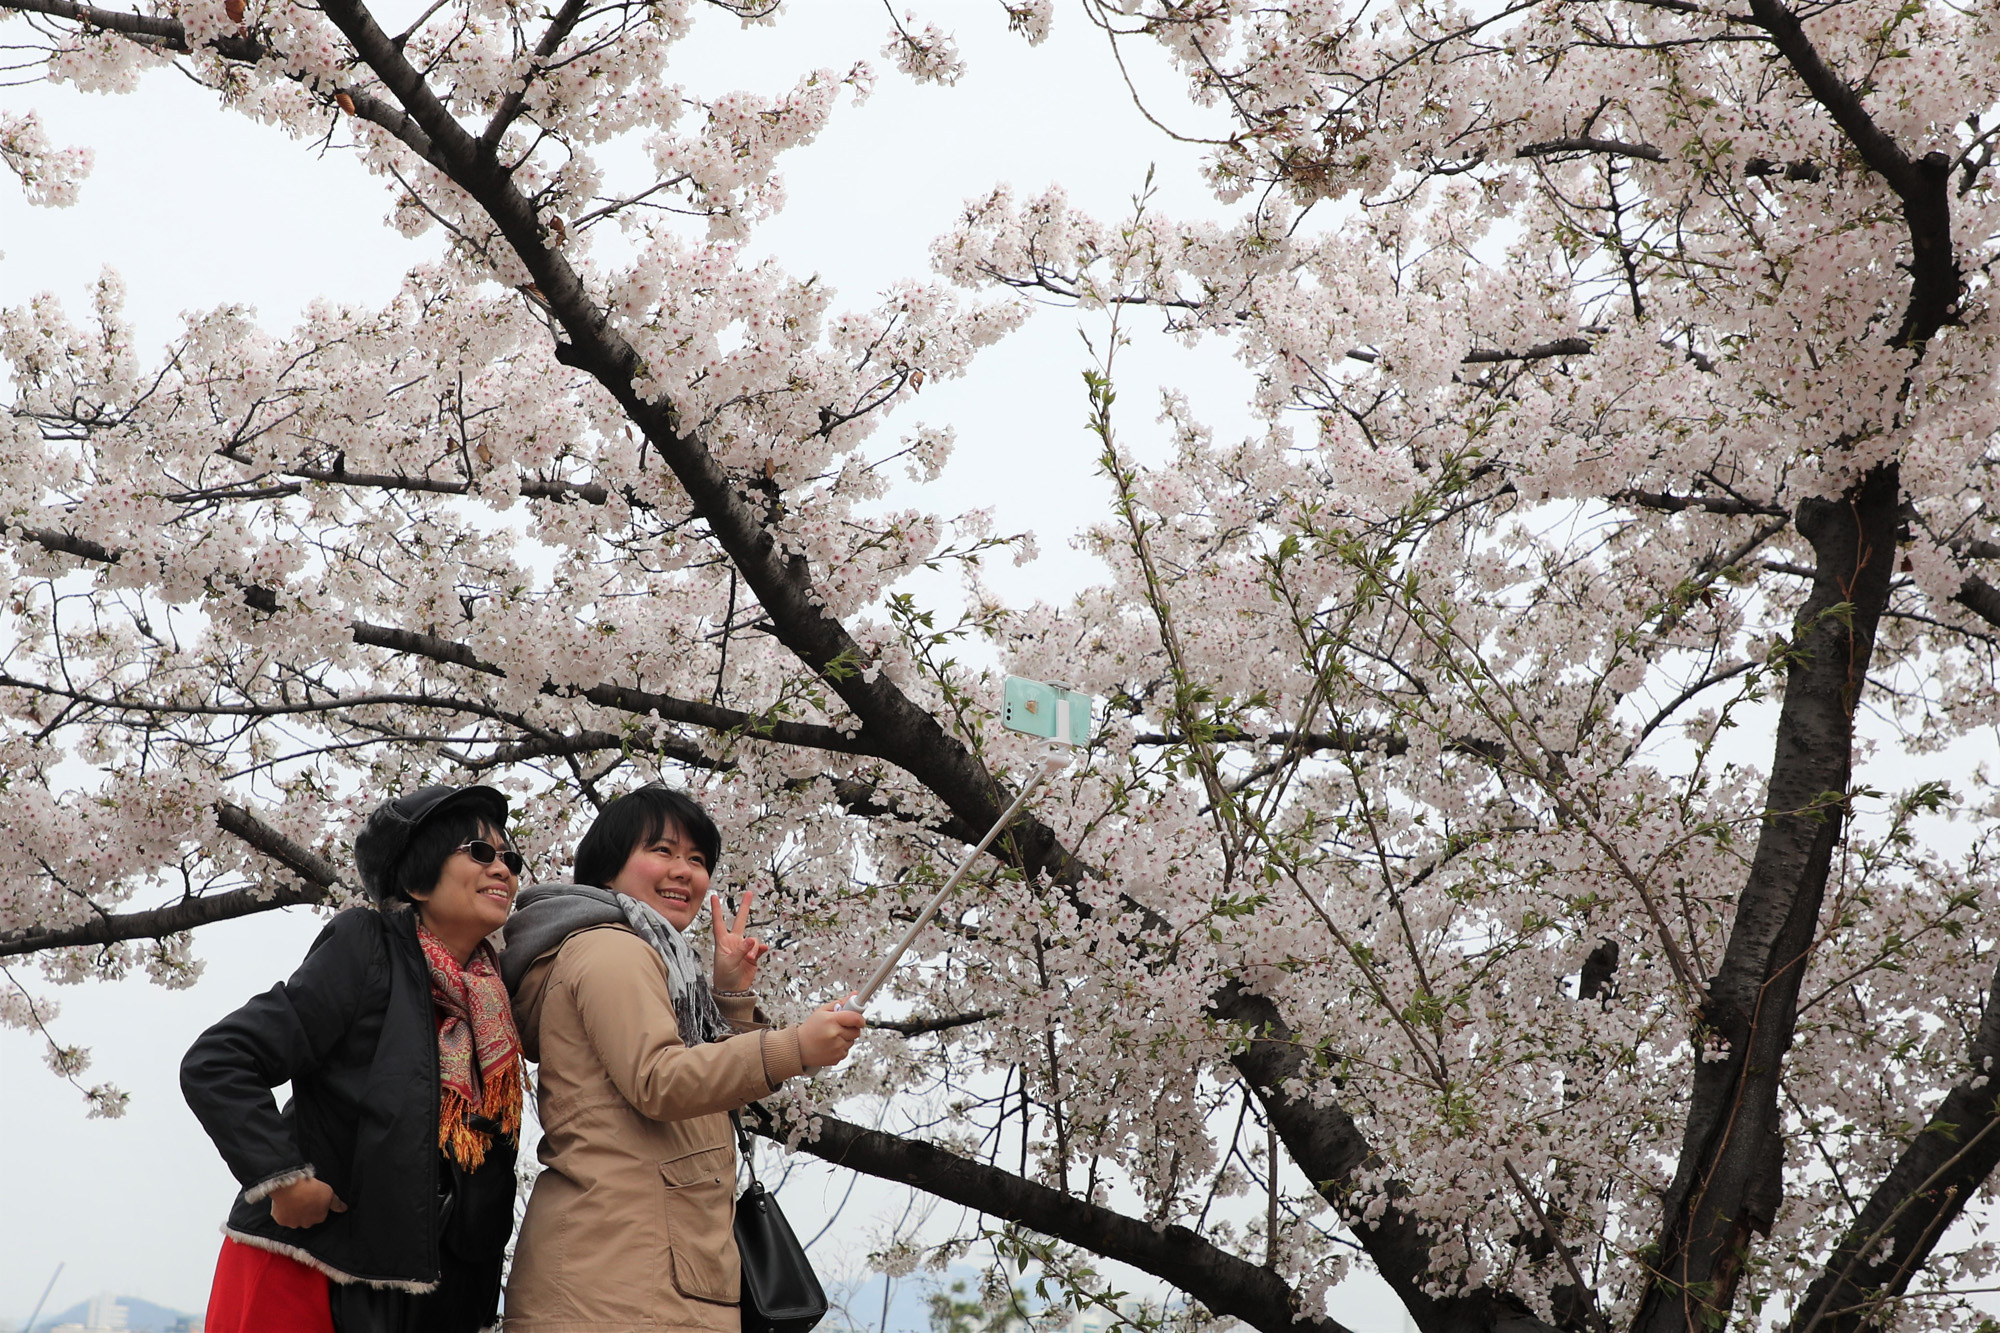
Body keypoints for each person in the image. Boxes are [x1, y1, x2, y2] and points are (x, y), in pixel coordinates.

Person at [499, 784, 865, 1332]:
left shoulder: (653, 958)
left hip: (642, 1275)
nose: (685, 871)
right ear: (607, 866)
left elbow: (698, 1103)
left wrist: (730, 1001)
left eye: (697, 859)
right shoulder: (610, 949)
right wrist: (794, 1047)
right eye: (663, 851)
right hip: (620, 1284)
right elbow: (659, 1080)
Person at [183, 785, 528, 1333]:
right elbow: (220, 1060)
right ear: (416, 881)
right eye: (479, 853)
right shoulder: (367, 947)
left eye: (510, 858)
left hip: (429, 1299)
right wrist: (283, 1179)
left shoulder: (495, 998)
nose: (503, 869)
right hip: (309, 1268)